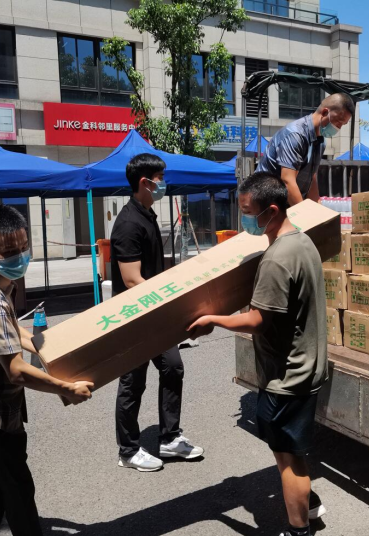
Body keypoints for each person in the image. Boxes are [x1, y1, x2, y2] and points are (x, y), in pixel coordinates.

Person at [188, 171, 329, 536]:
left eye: (249, 213)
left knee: (287, 458)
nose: (245, 220)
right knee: (292, 450)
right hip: (305, 366)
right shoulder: (302, 242)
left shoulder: (277, 258)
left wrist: (213, 319)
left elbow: (257, 321)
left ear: (272, 210)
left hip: (287, 376)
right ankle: (309, 505)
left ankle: (298, 529)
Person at [0, 203, 93, 536]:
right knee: (17, 491)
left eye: (23, 247)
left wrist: (49, 347)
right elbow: (16, 370)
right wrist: (66, 387)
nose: (20, 257)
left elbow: (13, 332)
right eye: (9, 252)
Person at [112, 153, 204, 472]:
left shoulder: (147, 215)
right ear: (145, 182)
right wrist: (169, 302)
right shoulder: (128, 223)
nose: (163, 184)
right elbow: (131, 279)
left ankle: (169, 438)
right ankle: (128, 451)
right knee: (133, 382)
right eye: (160, 179)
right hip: (135, 316)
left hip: (154, 314)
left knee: (173, 367)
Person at [257, 93, 355, 205]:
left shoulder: (320, 142)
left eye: (343, 124)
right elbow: (287, 181)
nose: (339, 128)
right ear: (325, 112)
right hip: (264, 203)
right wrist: (303, 213)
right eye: (338, 121)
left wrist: (318, 210)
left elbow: (311, 180)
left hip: (283, 203)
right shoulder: (295, 135)